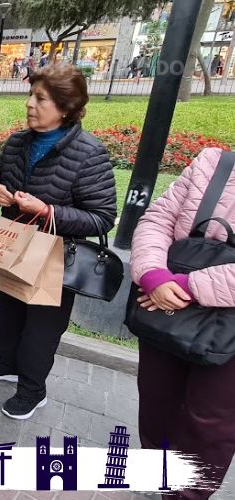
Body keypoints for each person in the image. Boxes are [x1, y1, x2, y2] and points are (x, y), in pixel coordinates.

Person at [0, 64, 117, 420]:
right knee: (7, 317)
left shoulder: (88, 153)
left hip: (53, 256)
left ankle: (33, 390)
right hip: (13, 246)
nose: (30, 104)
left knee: (40, 330)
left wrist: (49, 211)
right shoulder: (18, 142)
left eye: (41, 99)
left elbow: (102, 217)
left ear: (65, 107)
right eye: (31, 96)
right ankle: (5, 363)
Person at [130, 147, 235, 500]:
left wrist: (191, 286)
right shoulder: (213, 163)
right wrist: (153, 274)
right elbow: (157, 219)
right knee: (157, 401)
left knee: (210, 423)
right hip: (167, 307)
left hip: (226, 328)